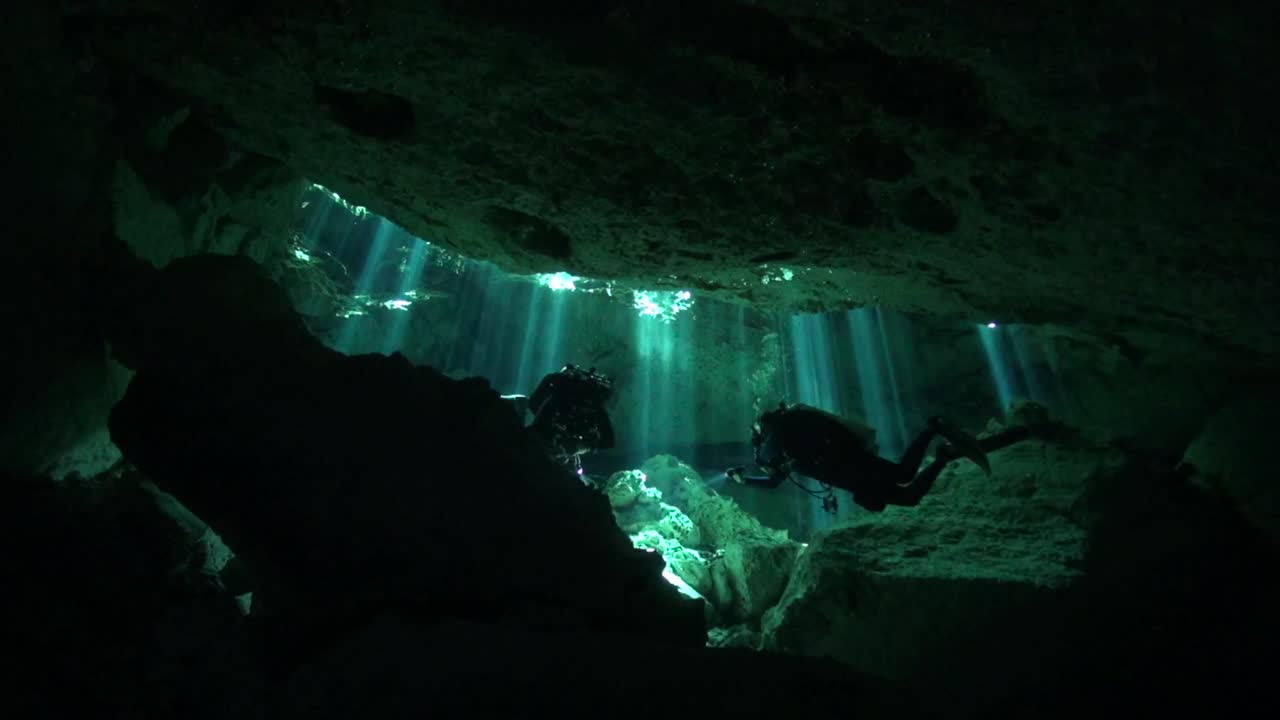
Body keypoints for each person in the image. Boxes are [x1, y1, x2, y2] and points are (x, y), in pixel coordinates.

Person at [725, 402, 1036, 513]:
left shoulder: (774, 445)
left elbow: (772, 482)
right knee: (904, 478)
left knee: (907, 488)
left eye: (755, 430)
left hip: (848, 474)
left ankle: (937, 443)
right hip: (852, 463)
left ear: (763, 428)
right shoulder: (791, 432)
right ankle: (936, 442)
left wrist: (743, 479)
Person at [521, 364, 616, 469]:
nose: (585, 408)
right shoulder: (559, 399)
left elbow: (609, 440)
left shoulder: (596, 407)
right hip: (550, 430)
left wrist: (583, 447)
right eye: (583, 405)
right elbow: (537, 428)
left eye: (588, 405)